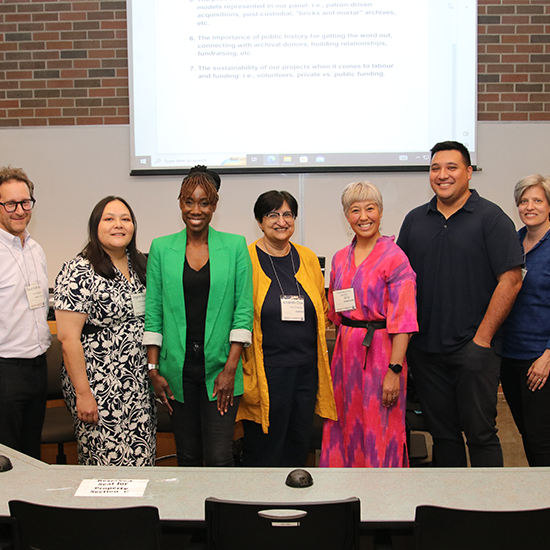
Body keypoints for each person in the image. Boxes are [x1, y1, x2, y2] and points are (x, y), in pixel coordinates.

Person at [397, 141, 524, 467]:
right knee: (443, 436)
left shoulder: (491, 218)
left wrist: (481, 340)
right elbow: (400, 283)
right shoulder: (414, 221)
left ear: (468, 172)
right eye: (436, 168)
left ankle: (490, 515)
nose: (443, 175)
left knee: (480, 434)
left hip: (474, 351)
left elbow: (511, 280)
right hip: (425, 353)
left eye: (452, 167)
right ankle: (449, 514)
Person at [144, 168, 253, 467]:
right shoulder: (161, 248)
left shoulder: (234, 247)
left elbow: (242, 312)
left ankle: (222, 515)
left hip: (220, 369)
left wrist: (231, 368)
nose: (196, 210)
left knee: (219, 456)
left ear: (214, 206)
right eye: (189, 202)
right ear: (180, 203)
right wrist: (153, 369)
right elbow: (153, 312)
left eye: (204, 203)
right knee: (188, 456)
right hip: (176, 371)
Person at [319, 182, 417, 468]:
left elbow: (404, 321)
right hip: (345, 358)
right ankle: (342, 499)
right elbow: (337, 313)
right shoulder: (339, 258)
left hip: (383, 355)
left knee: (380, 426)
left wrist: (394, 372)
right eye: (355, 210)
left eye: (370, 208)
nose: (363, 216)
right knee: (343, 425)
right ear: (347, 216)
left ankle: (383, 502)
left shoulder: (395, 258)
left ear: (381, 212)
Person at [237, 190, 337, 467]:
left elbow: (321, 307)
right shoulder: (246, 259)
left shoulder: (306, 257)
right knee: (264, 444)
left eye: (287, 215)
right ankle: (259, 503)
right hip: (267, 369)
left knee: (298, 441)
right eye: (273, 215)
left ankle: (294, 502)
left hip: (306, 369)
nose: (281, 221)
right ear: (259, 221)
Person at [55, 196, 156, 466]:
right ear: (95, 226)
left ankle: (140, 510)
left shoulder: (142, 265)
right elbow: (67, 339)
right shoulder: (78, 270)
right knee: (105, 461)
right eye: (109, 219)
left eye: (125, 219)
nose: (118, 225)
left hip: (137, 383)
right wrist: (83, 393)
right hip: (98, 384)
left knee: (141, 457)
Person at [0, 166, 50, 459]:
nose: (19, 210)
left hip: (37, 366)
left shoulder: (36, 250)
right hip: (6, 369)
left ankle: (25, 507)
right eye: (10, 203)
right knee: (6, 459)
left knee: (31, 454)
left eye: (25, 202)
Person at [501, 175, 550, 466]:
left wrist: (548, 354)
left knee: (543, 440)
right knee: (528, 436)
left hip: (540, 359)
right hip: (510, 355)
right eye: (523, 201)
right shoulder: (513, 243)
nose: (529, 207)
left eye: (537, 200)